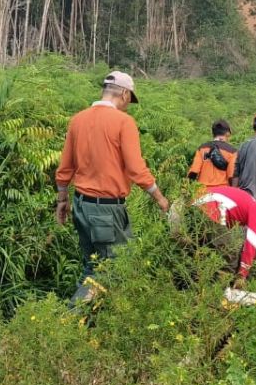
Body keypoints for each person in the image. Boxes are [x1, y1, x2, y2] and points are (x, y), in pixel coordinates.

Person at [55, 70, 170, 304]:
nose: (129, 105)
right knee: (108, 270)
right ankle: (69, 321)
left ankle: (90, 324)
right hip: (105, 211)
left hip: (81, 205)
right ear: (125, 94)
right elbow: (136, 168)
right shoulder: (123, 122)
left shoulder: (78, 119)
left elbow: (65, 167)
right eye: (130, 100)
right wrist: (160, 198)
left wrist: (62, 200)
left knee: (94, 266)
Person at [193, 185, 256, 290]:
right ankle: (219, 294)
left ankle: (192, 288)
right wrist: (242, 275)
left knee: (200, 251)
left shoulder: (244, 202)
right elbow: (251, 244)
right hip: (210, 209)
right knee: (229, 253)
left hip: (195, 204)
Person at [187, 120, 238, 192]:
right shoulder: (232, 151)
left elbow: (193, 172)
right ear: (227, 134)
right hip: (223, 193)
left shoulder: (202, 149)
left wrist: (187, 191)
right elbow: (231, 176)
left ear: (213, 133)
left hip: (202, 193)